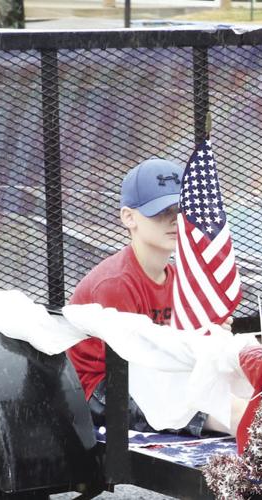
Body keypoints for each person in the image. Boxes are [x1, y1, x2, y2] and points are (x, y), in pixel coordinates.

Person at [65, 158, 232, 436]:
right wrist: (194, 341)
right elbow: (136, 364)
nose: (172, 221)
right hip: (102, 389)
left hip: (150, 377)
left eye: (180, 210)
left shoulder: (179, 277)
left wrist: (207, 336)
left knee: (237, 392)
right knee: (224, 413)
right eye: (159, 212)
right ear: (129, 217)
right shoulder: (115, 283)